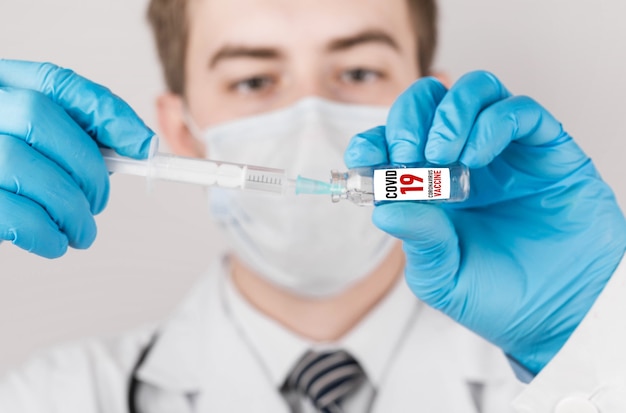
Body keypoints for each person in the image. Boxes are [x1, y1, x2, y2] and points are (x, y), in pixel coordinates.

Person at [0, 0, 625, 411]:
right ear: (182, 130)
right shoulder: (60, 396)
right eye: (253, 80)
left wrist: (590, 336)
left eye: (356, 72)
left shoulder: (578, 373)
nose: (309, 122)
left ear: (428, 100)